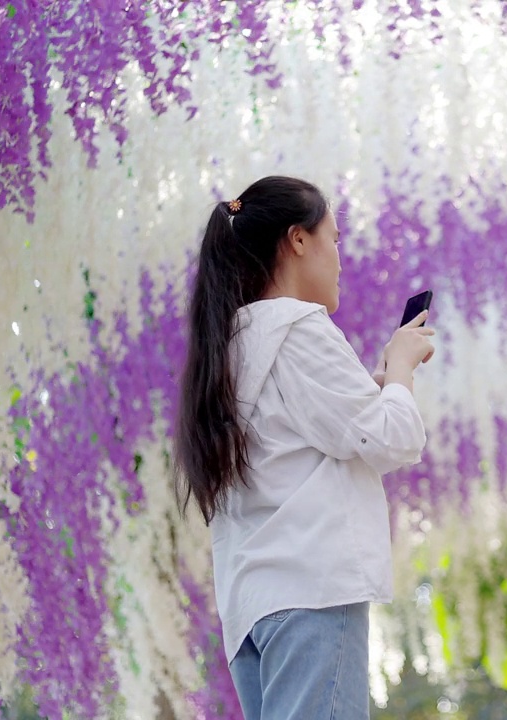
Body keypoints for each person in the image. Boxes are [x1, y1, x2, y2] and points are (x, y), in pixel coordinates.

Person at [173, 176, 435, 720]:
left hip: (253, 608)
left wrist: (383, 384)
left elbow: (319, 433)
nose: (340, 257)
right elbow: (393, 440)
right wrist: (403, 369)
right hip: (310, 594)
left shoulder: (231, 344)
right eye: (334, 239)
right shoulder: (298, 328)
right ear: (297, 240)